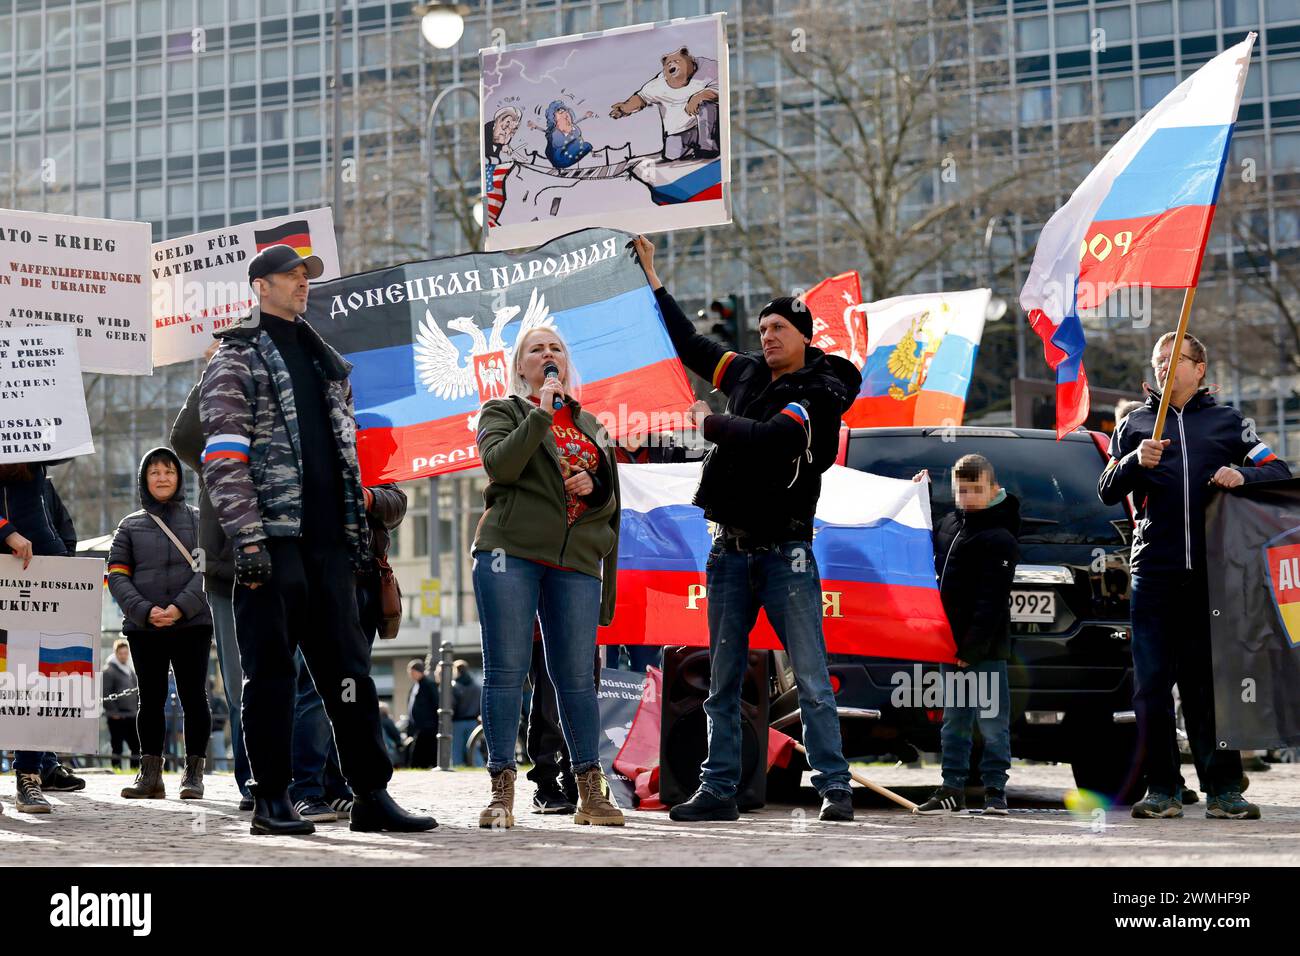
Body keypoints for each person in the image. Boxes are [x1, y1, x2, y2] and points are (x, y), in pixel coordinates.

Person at [198, 243, 434, 835]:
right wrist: (247, 540)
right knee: (271, 676)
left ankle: (371, 796)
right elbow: (223, 458)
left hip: (332, 545)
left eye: (306, 275)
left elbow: (348, 457)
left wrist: (357, 533)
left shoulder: (329, 362)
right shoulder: (235, 357)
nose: (302, 283)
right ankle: (271, 800)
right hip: (271, 545)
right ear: (260, 286)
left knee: (349, 673)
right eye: (290, 275)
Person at [633, 235, 860, 823]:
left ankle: (835, 789)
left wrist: (709, 423)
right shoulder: (745, 374)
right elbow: (688, 342)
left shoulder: (819, 391)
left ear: (805, 334)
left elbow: (772, 442)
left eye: (779, 328)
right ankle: (719, 791)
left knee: (811, 680)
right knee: (721, 684)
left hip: (786, 554)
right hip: (728, 553)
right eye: (762, 329)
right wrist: (653, 277)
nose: (767, 337)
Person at [1099, 331, 1291, 820]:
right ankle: (1162, 789)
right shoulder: (1135, 424)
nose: (1164, 367)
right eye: (1158, 360)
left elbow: (1280, 471)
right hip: (1153, 574)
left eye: (1174, 360)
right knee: (1150, 687)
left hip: (1211, 577)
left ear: (1199, 368)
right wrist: (1130, 461)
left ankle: (1224, 789)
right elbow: (1104, 489)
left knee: (1209, 684)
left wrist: (1242, 475)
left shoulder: (1228, 423)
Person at [472, 324, 624, 829]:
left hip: (576, 560)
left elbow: (612, 500)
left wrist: (595, 483)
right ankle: (501, 791)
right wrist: (541, 411)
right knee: (507, 672)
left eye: (556, 347)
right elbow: (502, 464)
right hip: (510, 553)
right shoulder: (501, 412)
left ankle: (590, 793)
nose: (548, 354)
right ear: (521, 367)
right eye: (536, 349)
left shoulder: (594, 425)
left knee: (577, 679)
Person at [912, 455, 1019, 815]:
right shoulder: (950, 524)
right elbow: (923, 535)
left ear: (993, 490)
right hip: (950, 645)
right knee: (954, 720)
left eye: (976, 489)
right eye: (962, 489)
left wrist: (971, 649)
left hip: (983, 649)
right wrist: (918, 495)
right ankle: (951, 788)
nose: (968, 495)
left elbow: (992, 602)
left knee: (991, 721)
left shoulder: (1000, 537)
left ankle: (995, 791)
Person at [171, 345, 254, 810]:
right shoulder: (209, 444)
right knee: (243, 683)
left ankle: (304, 781)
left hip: (286, 566)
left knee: (296, 681)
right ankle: (252, 782)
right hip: (226, 575)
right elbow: (182, 436)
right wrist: (212, 372)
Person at [106, 447, 213, 800]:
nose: (163, 477)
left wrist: (181, 608)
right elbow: (117, 575)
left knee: (194, 697)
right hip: (144, 627)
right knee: (149, 701)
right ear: (144, 479)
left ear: (179, 478)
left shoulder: (200, 521)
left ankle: (193, 775)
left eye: (169, 471)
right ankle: (149, 775)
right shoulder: (129, 525)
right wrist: (144, 611)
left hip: (192, 624)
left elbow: (207, 570)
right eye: (155, 472)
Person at [1, 462, 87, 812]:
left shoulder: (36, 458)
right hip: (5, 568)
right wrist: (5, 531)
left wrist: (62, 554)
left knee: (34, 679)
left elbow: (65, 441)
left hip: (41, 572)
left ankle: (30, 777)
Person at [102, 640, 141, 771]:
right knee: (117, 746)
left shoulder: (130, 670)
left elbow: (136, 692)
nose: (123, 656)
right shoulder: (109, 670)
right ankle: (116, 770)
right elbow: (105, 693)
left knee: (135, 745)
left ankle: (135, 770)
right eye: (121, 653)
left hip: (131, 714)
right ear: (116, 653)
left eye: (126, 653)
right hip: (117, 716)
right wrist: (114, 712)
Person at [404, 660, 439, 769]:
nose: (410, 675)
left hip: (428, 727)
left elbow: (436, 704)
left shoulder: (429, 685)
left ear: (417, 671)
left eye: (411, 672)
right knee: (417, 756)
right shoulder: (414, 686)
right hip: (418, 728)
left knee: (420, 757)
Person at [450, 660, 481, 767]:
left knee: (456, 749)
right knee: (473, 748)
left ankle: (458, 767)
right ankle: (479, 766)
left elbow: (452, 704)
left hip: (458, 721)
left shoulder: (454, 686)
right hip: (473, 721)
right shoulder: (476, 686)